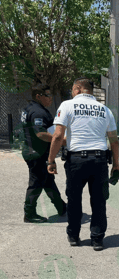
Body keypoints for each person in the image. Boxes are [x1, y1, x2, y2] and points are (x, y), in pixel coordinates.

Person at [47, 77, 119, 251]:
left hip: (76, 161)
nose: (72, 93)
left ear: (78, 88)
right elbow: (114, 141)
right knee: (99, 201)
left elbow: (57, 136)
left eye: (73, 89)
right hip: (100, 161)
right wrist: (116, 165)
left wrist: (50, 160)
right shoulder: (105, 110)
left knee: (74, 200)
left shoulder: (67, 105)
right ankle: (97, 240)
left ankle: (73, 236)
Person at [21, 84, 67, 223]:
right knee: (36, 183)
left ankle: (61, 207)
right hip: (37, 152)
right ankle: (29, 213)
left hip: (33, 149)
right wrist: (60, 141)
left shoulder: (30, 108)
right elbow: (41, 133)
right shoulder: (38, 112)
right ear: (38, 96)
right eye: (47, 95)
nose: (51, 98)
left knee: (47, 181)